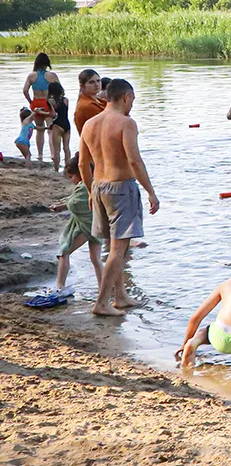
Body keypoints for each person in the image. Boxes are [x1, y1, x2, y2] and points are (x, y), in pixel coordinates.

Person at [79, 79, 160, 317]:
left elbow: (84, 163)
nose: (132, 105)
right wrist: (150, 191)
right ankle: (102, 302)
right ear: (125, 97)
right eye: (132, 100)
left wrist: (88, 190)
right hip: (121, 189)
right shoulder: (126, 123)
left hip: (99, 186)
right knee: (118, 249)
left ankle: (121, 297)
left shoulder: (89, 124)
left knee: (111, 246)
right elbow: (134, 160)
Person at [50, 153, 103, 294]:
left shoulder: (85, 186)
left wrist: (64, 204)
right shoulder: (93, 183)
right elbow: (74, 200)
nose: (71, 180)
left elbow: (76, 203)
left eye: (71, 177)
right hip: (96, 225)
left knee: (64, 252)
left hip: (85, 227)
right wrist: (63, 205)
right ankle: (104, 288)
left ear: (80, 173)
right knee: (95, 258)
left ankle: (60, 286)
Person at [22, 53, 59, 162]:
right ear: (47, 63)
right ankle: (53, 153)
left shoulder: (31, 76)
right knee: (50, 129)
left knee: (39, 130)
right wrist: (55, 102)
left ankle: (40, 155)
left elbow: (25, 91)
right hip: (48, 103)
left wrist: (30, 102)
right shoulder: (52, 76)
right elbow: (59, 90)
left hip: (36, 103)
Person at [47, 82, 71, 173]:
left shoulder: (50, 101)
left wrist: (42, 113)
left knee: (57, 149)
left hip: (57, 125)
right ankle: (68, 169)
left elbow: (53, 114)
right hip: (67, 125)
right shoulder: (66, 100)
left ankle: (56, 169)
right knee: (66, 148)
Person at [74, 69, 105, 136]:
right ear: (82, 86)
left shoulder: (100, 100)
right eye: (91, 82)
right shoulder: (86, 106)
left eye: (98, 81)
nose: (96, 84)